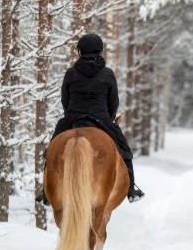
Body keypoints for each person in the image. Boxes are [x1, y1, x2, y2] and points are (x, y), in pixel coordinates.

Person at [36, 33, 145, 204]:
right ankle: (131, 189)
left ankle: (46, 193)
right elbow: (113, 102)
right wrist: (107, 119)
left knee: (50, 151)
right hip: (101, 118)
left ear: (80, 52)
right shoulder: (108, 74)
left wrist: (71, 116)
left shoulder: (71, 73)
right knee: (125, 151)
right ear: (100, 51)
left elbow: (65, 100)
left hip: (73, 117)